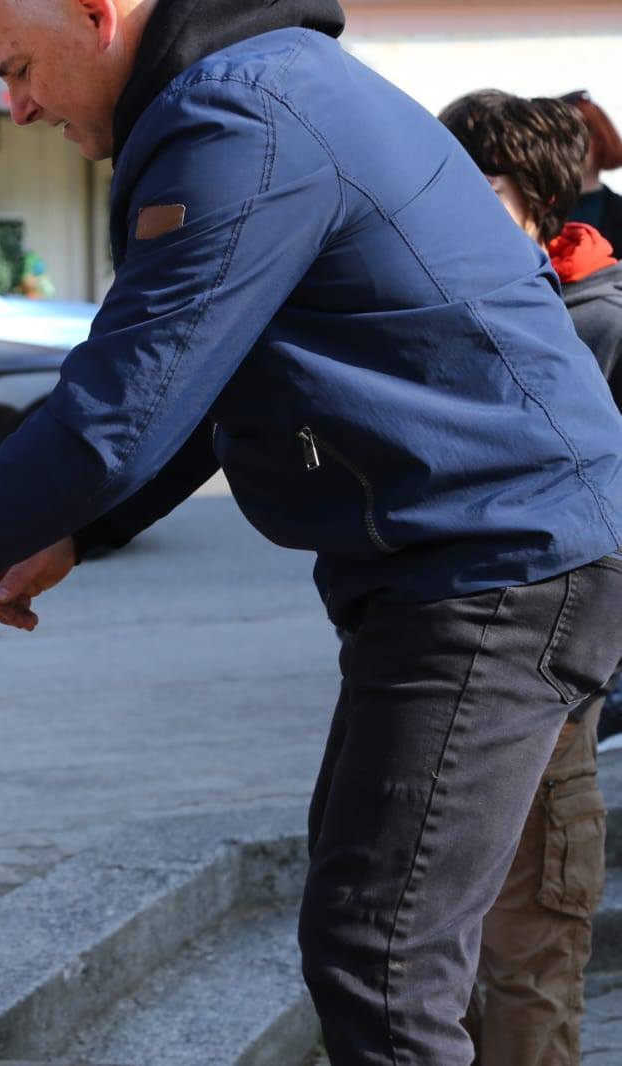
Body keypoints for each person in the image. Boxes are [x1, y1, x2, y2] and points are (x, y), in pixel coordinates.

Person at [0, 0, 622, 1062]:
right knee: (368, 933)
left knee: (382, 961)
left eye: (18, 69)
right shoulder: (259, 86)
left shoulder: (238, 115)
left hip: (493, 562)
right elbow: (214, 369)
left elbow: (118, 410)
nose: (15, 107)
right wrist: (84, 531)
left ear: (97, 15)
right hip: (472, 555)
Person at [439, 88, 622, 1066]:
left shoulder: (598, 322)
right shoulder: (462, 305)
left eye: (471, 183)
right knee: (439, 961)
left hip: (549, 687)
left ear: (536, 197)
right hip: (445, 672)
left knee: (530, 961)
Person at [562, 91, 622, 255]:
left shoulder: (617, 211)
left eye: (578, 133)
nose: (571, 145)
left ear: (601, 140)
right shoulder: (535, 210)